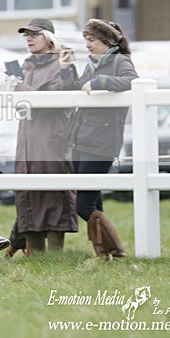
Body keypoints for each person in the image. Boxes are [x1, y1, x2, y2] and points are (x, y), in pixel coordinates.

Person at [60, 19, 137, 259]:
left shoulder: (121, 61)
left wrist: (101, 82)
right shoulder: (92, 64)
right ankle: (104, 254)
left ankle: (115, 250)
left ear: (106, 41)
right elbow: (75, 88)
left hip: (101, 142)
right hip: (81, 140)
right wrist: (66, 69)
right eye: (86, 40)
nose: (88, 45)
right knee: (94, 203)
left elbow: (132, 82)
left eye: (91, 40)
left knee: (83, 207)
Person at [6, 18, 77, 257]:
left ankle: (56, 257)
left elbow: (54, 101)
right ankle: (35, 257)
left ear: (49, 38)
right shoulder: (25, 67)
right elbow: (21, 107)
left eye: (34, 34)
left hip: (51, 140)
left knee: (54, 196)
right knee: (27, 196)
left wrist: (19, 90)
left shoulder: (63, 64)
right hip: (26, 140)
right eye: (26, 35)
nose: (28, 39)